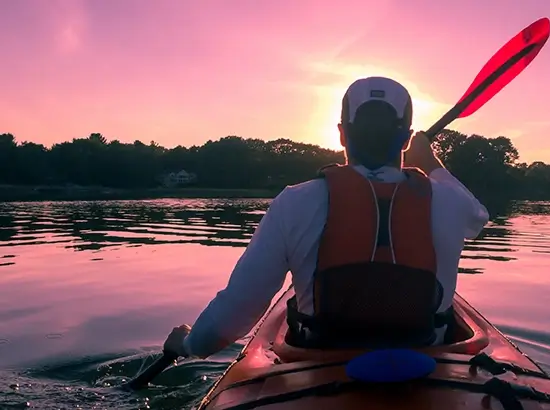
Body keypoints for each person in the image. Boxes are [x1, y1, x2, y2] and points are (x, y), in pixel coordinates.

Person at [163, 76, 490, 358]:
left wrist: (190, 344)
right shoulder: (450, 201)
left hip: (320, 362)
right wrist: (430, 162)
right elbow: (478, 217)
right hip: (427, 363)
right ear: (406, 138)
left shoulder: (294, 202)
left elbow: (236, 312)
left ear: (342, 134)